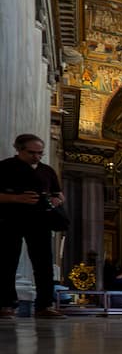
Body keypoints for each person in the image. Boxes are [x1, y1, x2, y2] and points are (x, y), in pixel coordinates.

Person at [0, 133, 66, 319]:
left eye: (40, 153)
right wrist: (16, 198)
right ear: (19, 149)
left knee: (44, 264)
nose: (36, 156)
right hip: (9, 220)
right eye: (32, 153)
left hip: (40, 221)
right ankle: (6, 305)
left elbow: (60, 195)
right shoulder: (5, 167)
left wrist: (56, 200)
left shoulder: (47, 170)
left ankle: (44, 306)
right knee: (6, 263)